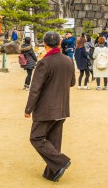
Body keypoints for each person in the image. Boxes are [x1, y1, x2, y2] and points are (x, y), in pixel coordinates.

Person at [24, 31, 75, 182]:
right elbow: (72, 82)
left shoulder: (44, 62)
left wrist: (28, 109)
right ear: (60, 43)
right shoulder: (68, 60)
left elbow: (35, 88)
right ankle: (52, 173)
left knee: (36, 137)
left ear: (44, 44)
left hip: (46, 108)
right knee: (54, 140)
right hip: (62, 107)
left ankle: (61, 161)